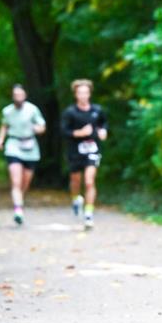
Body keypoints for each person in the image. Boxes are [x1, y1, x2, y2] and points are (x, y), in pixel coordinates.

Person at [0, 84, 46, 225]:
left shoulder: (32, 109)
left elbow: (42, 126)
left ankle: (19, 202)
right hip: (13, 145)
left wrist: (38, 129)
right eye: (15, 95)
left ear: (25, 95)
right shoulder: (7, 111)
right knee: (16, 181)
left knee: (25, 181)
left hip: (30, 146)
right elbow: (4, 126)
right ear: (12, 96)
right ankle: (18, 209)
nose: (18, 97)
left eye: (20, 95)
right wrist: (0, 139)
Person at [61, 79, 107, 230]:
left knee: (89, 181)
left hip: (93, 150)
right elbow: (64, 131)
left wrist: (103, 131)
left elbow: (103, 124)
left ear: (89, 94)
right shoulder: (70, 112)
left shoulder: (97, 110)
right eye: (80, 93)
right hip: (75, 151)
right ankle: (75, 199)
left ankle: (88, 214)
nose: (83, 95)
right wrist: (79, 133)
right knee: (75, 181)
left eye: (86, 92)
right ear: (75, 94)